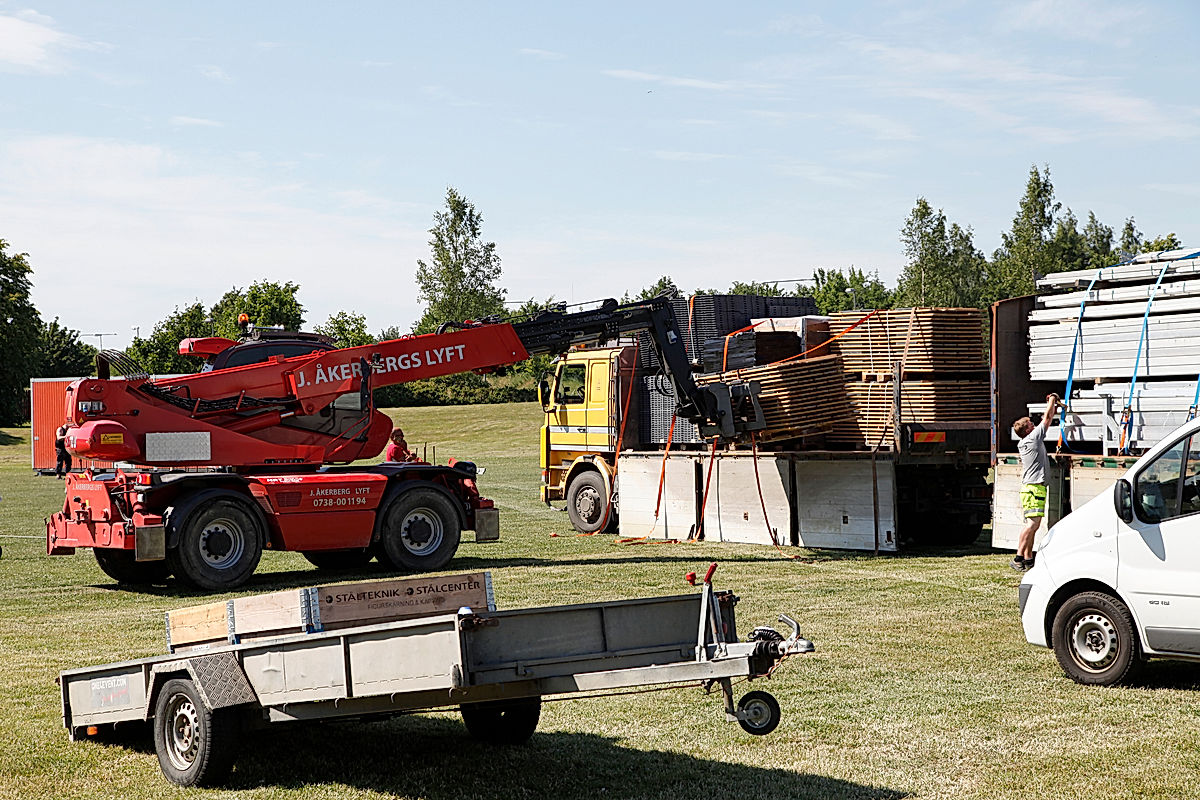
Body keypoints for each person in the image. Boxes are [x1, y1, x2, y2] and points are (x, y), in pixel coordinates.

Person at [1010, 393, 1060, 571]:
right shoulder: (1033, 438)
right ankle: (1017, 558)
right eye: (1032, 424)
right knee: (1032, 524)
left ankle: (1028, 559)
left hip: (1032, 487)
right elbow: (1047, 418)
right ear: (1028, 430)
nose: (1035, 424)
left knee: (1034, 525)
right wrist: (1053, 400)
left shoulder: (1026, 440)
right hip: (1033, 488)